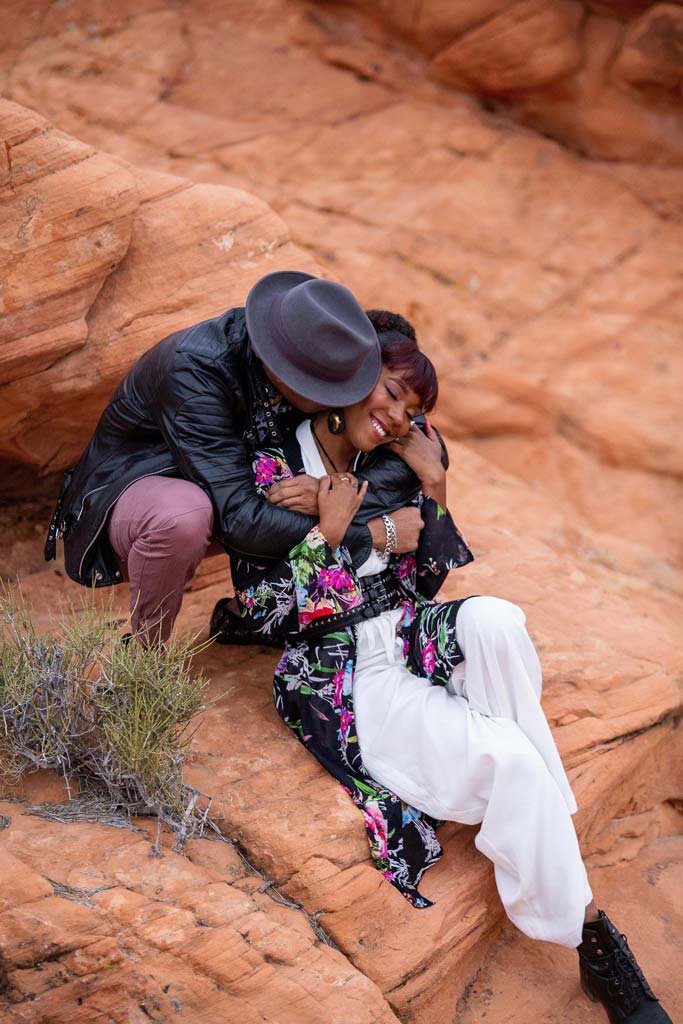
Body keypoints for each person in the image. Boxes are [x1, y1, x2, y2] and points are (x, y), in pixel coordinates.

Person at [223, 319, 672, 1023]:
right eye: (392, 394)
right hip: (335, 671)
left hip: (400, 633)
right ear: (348, 378)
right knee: (515, 766)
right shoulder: (271, 465)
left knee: (495, 618)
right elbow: (264, 612)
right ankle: (591, 938)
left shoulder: (386, 468)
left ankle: (507, 775)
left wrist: (432, 485)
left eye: (410, 410)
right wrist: (333, 531)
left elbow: (423, 579)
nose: (398, 417)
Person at [44, 273, 423, 643]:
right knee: (184, 515)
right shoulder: (195, 370)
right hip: (136, 500)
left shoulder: (318, 344)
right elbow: (240, 520)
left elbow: (411, 427)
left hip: (237, 492)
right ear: (284, 367)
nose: (339, 396)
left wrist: (334, 492)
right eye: (325, 388)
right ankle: (145, 655)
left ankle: (259, 618)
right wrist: (366, 531)